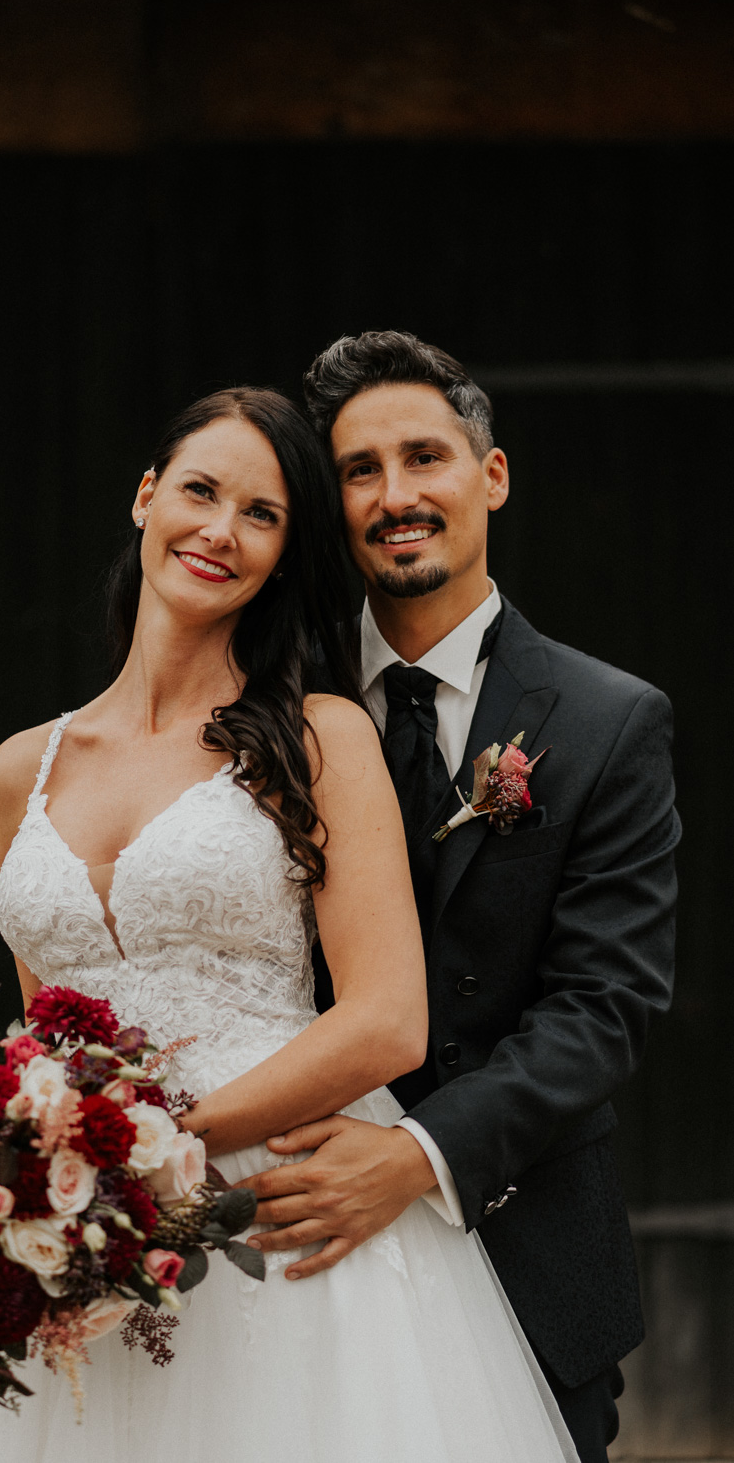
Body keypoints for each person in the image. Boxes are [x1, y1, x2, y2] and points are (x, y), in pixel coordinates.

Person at [0, 387, 580, 1463]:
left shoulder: (316, 739)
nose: (219, 529)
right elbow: (47, 1040)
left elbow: (388, 1020)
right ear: (145, 495)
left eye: (260, 515)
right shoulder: (17, 770)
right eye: (201, 491)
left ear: (282, 553)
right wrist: (37, 1174)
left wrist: (154, 1152)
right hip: (96, 1234)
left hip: (287, 1211)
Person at [239, 334, 680, 1463]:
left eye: (423, 457)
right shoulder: (266, 704)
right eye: (356, 470)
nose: (395, 496)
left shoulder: (606, 720)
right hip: (292, 1253)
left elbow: (605, 1004)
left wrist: (414, 1156)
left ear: (488, 475)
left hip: (524, 1245)